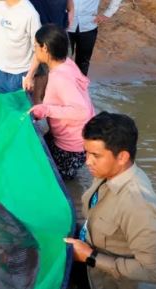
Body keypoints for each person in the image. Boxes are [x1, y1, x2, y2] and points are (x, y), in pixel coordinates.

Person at [65, 112, 156, 289]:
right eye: (86, 153)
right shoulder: (108, 172)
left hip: (102, 284)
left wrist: (90, 257)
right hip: (87, 248)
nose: (87, 162)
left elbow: (153, 272)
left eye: (95, 155)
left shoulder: (138, 204)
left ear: (122, 157)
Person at [29, 24, 94, 180]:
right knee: (38, 158)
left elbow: (81, 111)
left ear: (45, 48)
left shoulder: (60, 77)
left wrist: (46, 110)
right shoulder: (66, 63)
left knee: (53, 181)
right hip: (76, 136)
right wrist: (30, 75)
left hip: (72, 146)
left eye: (35, 46)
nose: (34, 50)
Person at [68, 0, 122, 75]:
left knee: (83, 62)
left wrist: (107, 14)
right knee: (63, 61)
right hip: (65, 26)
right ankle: (61, 85)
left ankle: (80, 85)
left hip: (89, 26)